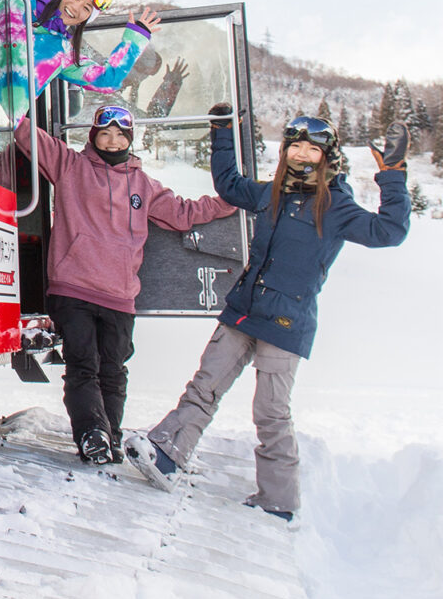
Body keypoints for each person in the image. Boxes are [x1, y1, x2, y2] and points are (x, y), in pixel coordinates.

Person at [125, 110, 411, 521]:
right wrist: (221, 132)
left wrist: (394, 175)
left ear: (326, 157)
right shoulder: (272, 194)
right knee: (204, 387)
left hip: (286, 322)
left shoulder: (336, 207)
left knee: (270, 411)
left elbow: (390, 232)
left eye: (313, 149)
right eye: (295, 146)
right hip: (243, 310)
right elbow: (228, 184)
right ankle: (167, 454)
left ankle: (278, 500)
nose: (302, 155)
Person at [18, 104, 236, 464]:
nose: (112, 140)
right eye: (105, 133)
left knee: (113, 372)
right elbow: (26, 134)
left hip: (120, 296)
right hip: (73, 287)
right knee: (82, 366)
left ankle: (111, 436)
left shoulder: (143, 185)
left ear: (129, 139)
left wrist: (231, 201)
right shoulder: (71, 166)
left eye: (120, 135)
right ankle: (91, 434)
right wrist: (9, 93)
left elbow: (184, 214)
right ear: (94, 136)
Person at [0, 0, 161, 125]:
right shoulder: (17, 5)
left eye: (86, 8)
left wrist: (134, 40)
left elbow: (107, 79)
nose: (76, 8)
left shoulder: (62, 54)